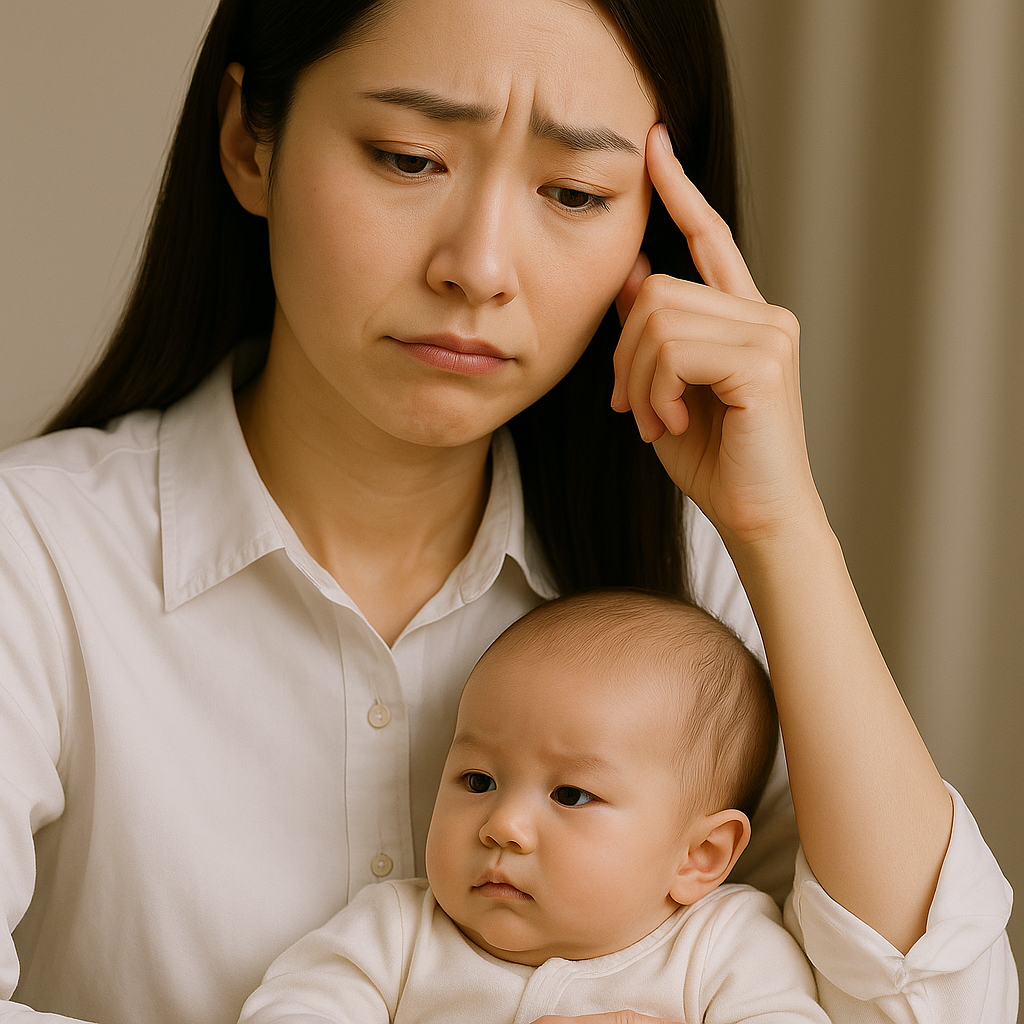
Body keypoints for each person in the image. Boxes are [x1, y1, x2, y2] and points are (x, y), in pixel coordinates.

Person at [0, 1, 1014, 1023]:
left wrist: (782, 525)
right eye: (406, 158)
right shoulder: (34, 555)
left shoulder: (690, 582)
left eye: (574, 192)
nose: (478, 269)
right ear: (248, 142)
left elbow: (938, 1010)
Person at [237, 589, 831, 1024]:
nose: (503, 827)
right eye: (477, 780)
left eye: (570, 795)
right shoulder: (396, 932)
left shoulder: (723, 946)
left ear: (699, 855)